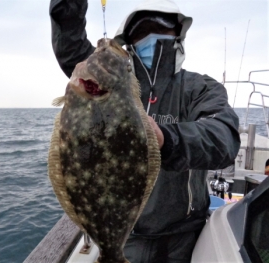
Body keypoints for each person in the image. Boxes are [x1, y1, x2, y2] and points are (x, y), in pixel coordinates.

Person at [49, 0, 241, 262]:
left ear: (178, 35)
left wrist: (166, 139)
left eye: (160, 28)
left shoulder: (200, 88)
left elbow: (224, 139)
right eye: (140, 32)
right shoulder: (106, 78)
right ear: (129, 43)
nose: (150, 36)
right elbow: (70, 42)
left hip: (186, 236)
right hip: (129, 236)